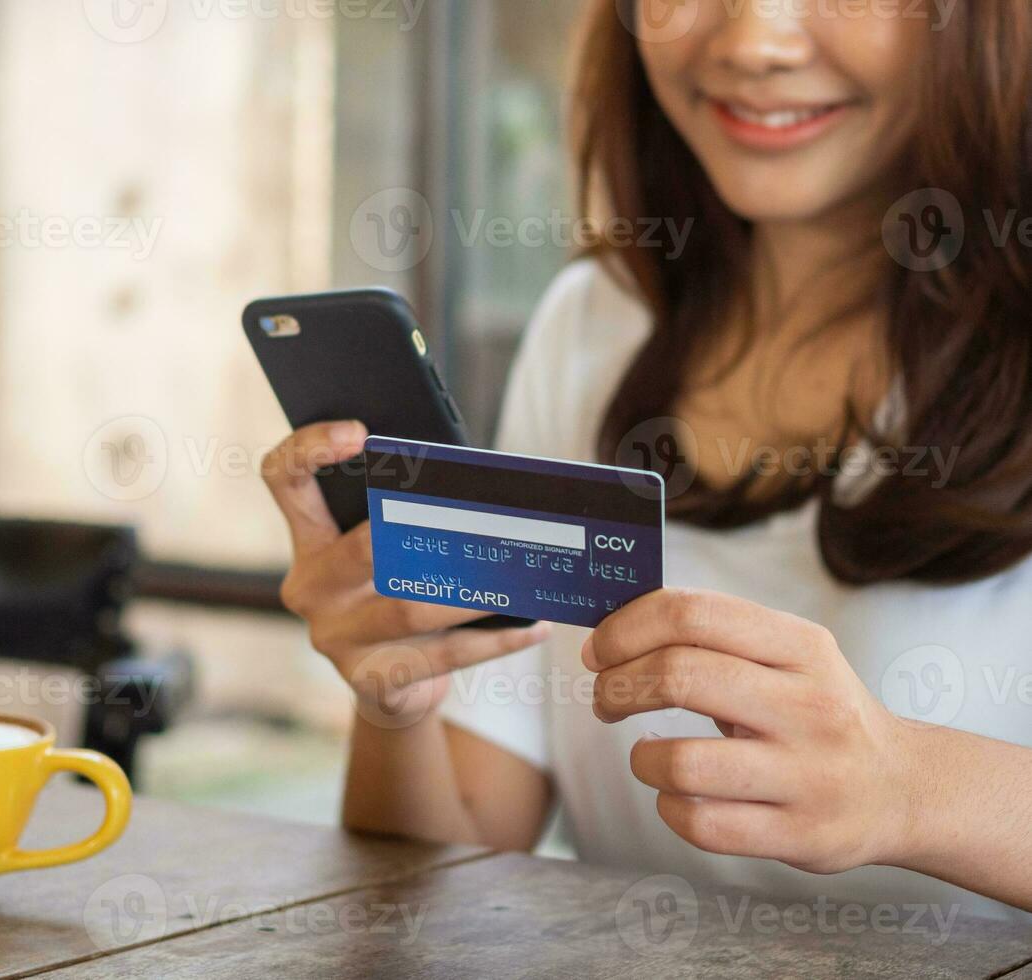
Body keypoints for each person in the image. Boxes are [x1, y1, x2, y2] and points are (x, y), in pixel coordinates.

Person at [261, 0, 1032, 918]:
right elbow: (444, 871)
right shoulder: (593, 324)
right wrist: (399, 691)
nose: (753, 42)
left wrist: (912, 788)